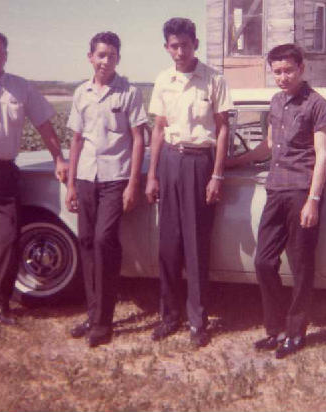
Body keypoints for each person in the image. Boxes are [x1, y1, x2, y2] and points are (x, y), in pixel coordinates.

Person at [226, 43, 326, 358]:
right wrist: (231, 163)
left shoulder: (318, 105)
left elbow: (323, 155)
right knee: (263, 261)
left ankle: (296, 333)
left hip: (302, 191)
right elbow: (268, 146)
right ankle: (275, 329)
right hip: (275, 190)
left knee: (301, 266)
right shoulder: (275, 102)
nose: (282, 77)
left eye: (288, 70)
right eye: (277, 72)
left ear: (301, 68)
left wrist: (313, 200)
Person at [0, 31, 67, 325]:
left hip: (6, 172)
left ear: (6, 55)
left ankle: (0, 301)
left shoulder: (21, 88)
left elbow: (44, 125)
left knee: (8, 238)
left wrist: (58, 158)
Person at [145, 17, 232, 348]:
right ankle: (169, 315)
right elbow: (158, 127)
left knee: (196, 246)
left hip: (199, 163)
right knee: (168, 245)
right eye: (173, 46)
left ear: (195, 43)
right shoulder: (163, 80)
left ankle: (198, 321)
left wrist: (217, 174)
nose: (179, 51)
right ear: (166, 47)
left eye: (185, 44)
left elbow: (223, 129)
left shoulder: (213, 79)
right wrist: (152, 174)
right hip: (169, 160)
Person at [65, 31, 147, 347]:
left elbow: (139, 138)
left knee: (104, 240)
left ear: (118, 59)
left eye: (111, 56)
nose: (105, 61)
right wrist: (71, 183)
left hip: (116, 178)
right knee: (86, 242)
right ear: (90, 57)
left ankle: (103, 322)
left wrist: (133, 183)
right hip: (87, 177)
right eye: (100, 55)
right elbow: (75, 140)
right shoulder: (81, 93)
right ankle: (93, 313)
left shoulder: (129, 93)